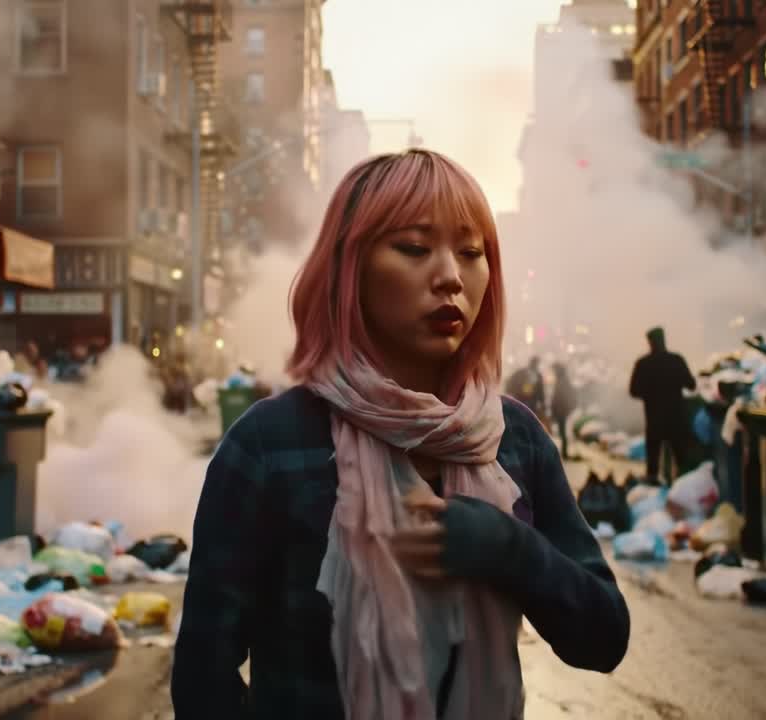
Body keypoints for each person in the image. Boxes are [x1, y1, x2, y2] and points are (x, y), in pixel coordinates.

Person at [173, 149, 629, 720]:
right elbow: (202, 676)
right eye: (414, 248)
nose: (450, 277)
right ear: (349, 268)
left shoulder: (515, 440)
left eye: (471, 253)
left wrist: (510, 549)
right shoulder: (269, 445)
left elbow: (605, 638)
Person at [629, 326, 696, 483]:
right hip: (676, 418)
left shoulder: (643, 364)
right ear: (664, 340)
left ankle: (654, 494)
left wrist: (649, 394)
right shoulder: (676, 360)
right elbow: (691, 384)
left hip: (654, 420)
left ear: (650, 342)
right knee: (681, 461)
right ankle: (682, 491)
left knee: (653, 465)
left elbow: (633, 391)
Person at [551, 362, 578, 460]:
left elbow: (560, 397)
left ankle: (564, 452)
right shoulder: (562, 381)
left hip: (561, 411)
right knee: (561, 432)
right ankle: (564, 452)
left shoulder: (563, 382)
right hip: (561, 411)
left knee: (562, 432)